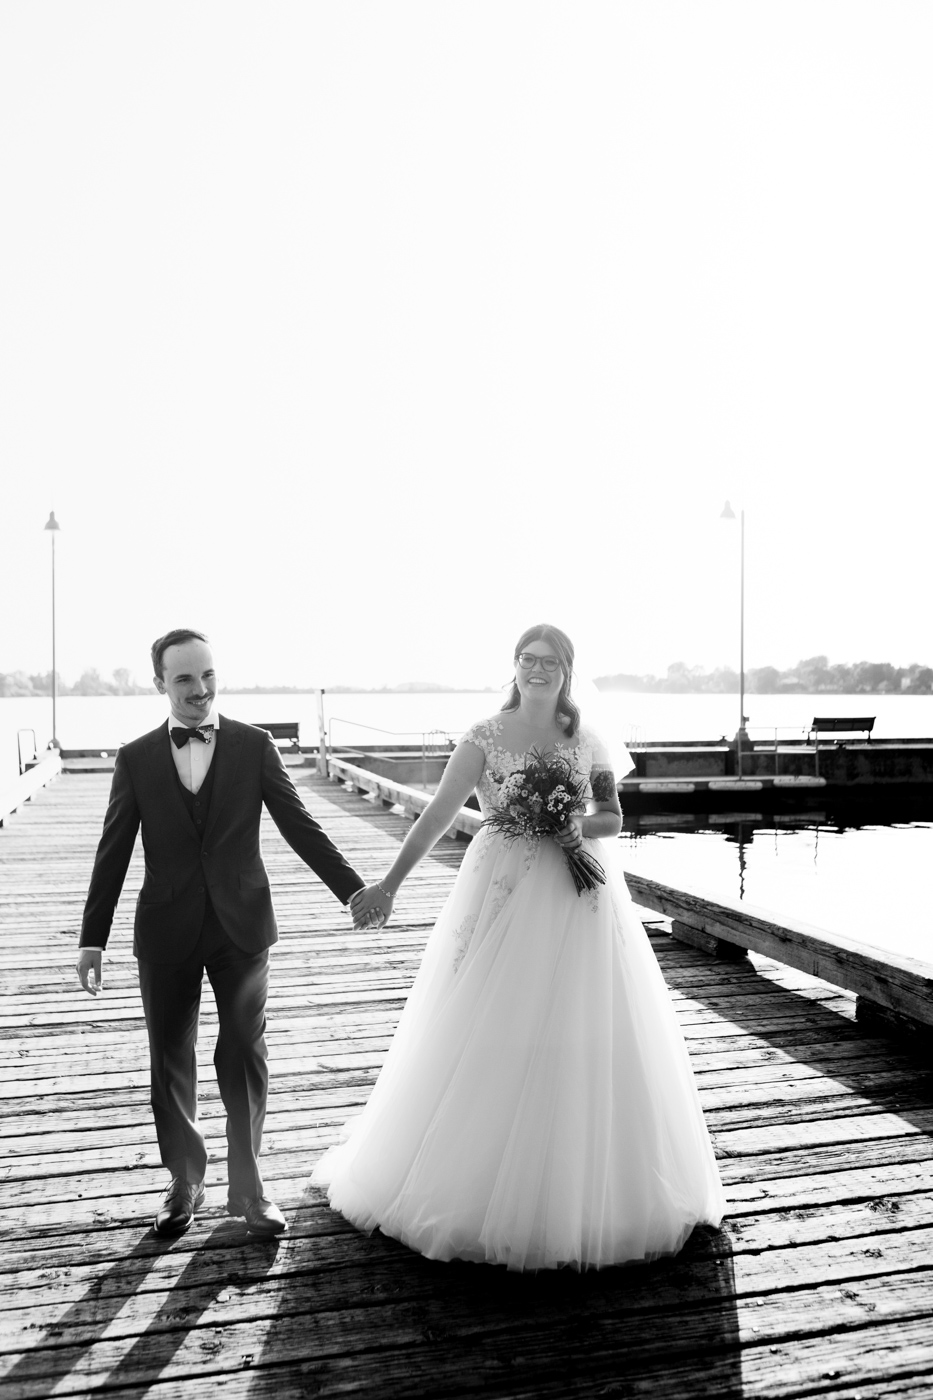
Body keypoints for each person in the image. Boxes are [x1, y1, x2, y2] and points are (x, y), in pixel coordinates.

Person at [314, 624, 725, 1270]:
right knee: (489, 1016)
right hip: (500, 889)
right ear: (513, 667)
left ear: (566, 669)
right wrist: (388, 884)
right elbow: (437, 814)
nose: (536, 670)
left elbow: (612, 819)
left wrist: (564, 821)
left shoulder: (585, 738)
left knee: (578, 1019)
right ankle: (470, 1181)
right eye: (526, 660)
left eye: (548, 661)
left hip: (576, 893)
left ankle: (583, 1189)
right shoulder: (482, 736)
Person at [76, 629, 366, 1238]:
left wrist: (353, 890)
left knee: (242, 1053)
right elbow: (113, 851)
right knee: (169, 1060)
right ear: (160, 683)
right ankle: (185, 1180)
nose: (200, 689)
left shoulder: (254, 747)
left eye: (207, 675)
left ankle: (250, 1185)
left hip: (242, 926)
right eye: (184, 679)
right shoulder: (135, 758)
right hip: (165, 928)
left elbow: (301, 826)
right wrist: (92, 937)